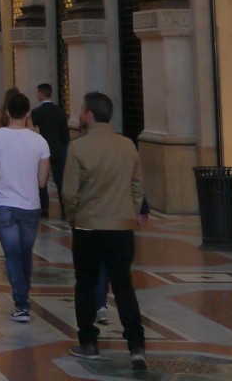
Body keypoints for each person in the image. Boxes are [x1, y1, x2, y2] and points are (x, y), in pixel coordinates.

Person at [64, 91, 147, 367]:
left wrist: (74, 217)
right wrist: (131, 213)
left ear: (89, 114)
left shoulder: (78, 148)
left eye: (81, 110)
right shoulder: (127, 146)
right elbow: (137, 186)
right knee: (123, 286)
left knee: (86, 285)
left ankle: (88, 341)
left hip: (88, 226)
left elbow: (70, 193)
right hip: (121, 228)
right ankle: (136, 345)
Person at [0, 93, 52, 323]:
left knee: (12, 255)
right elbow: (42, 182)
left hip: (4, 205)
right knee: (24, 254)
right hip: (30, 205)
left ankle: (21, 304)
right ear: (28, 113)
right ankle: (23, 296)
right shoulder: (40, 141)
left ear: (7, 112)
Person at [31, 85, 70, 217]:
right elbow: (65, 133)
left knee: (42, 179)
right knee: (60, 181)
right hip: (59, 149)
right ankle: (64, 210)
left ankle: (44, 208)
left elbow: (33, 130)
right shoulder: (60, 111)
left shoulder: (36, 112)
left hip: (42, 151)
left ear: (41, 93)